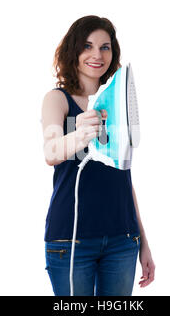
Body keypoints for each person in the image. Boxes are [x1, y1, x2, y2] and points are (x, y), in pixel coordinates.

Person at [41, 15, 155, 296]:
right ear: (74, 51)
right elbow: (50, 151)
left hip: (122, 238)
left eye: (105, 47)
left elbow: (123, 178)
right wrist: (79, 134)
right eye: (88, 46)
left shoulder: (117, 103)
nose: (97, 54)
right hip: (71, 238)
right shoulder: (58, 100)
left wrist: (143, 242)